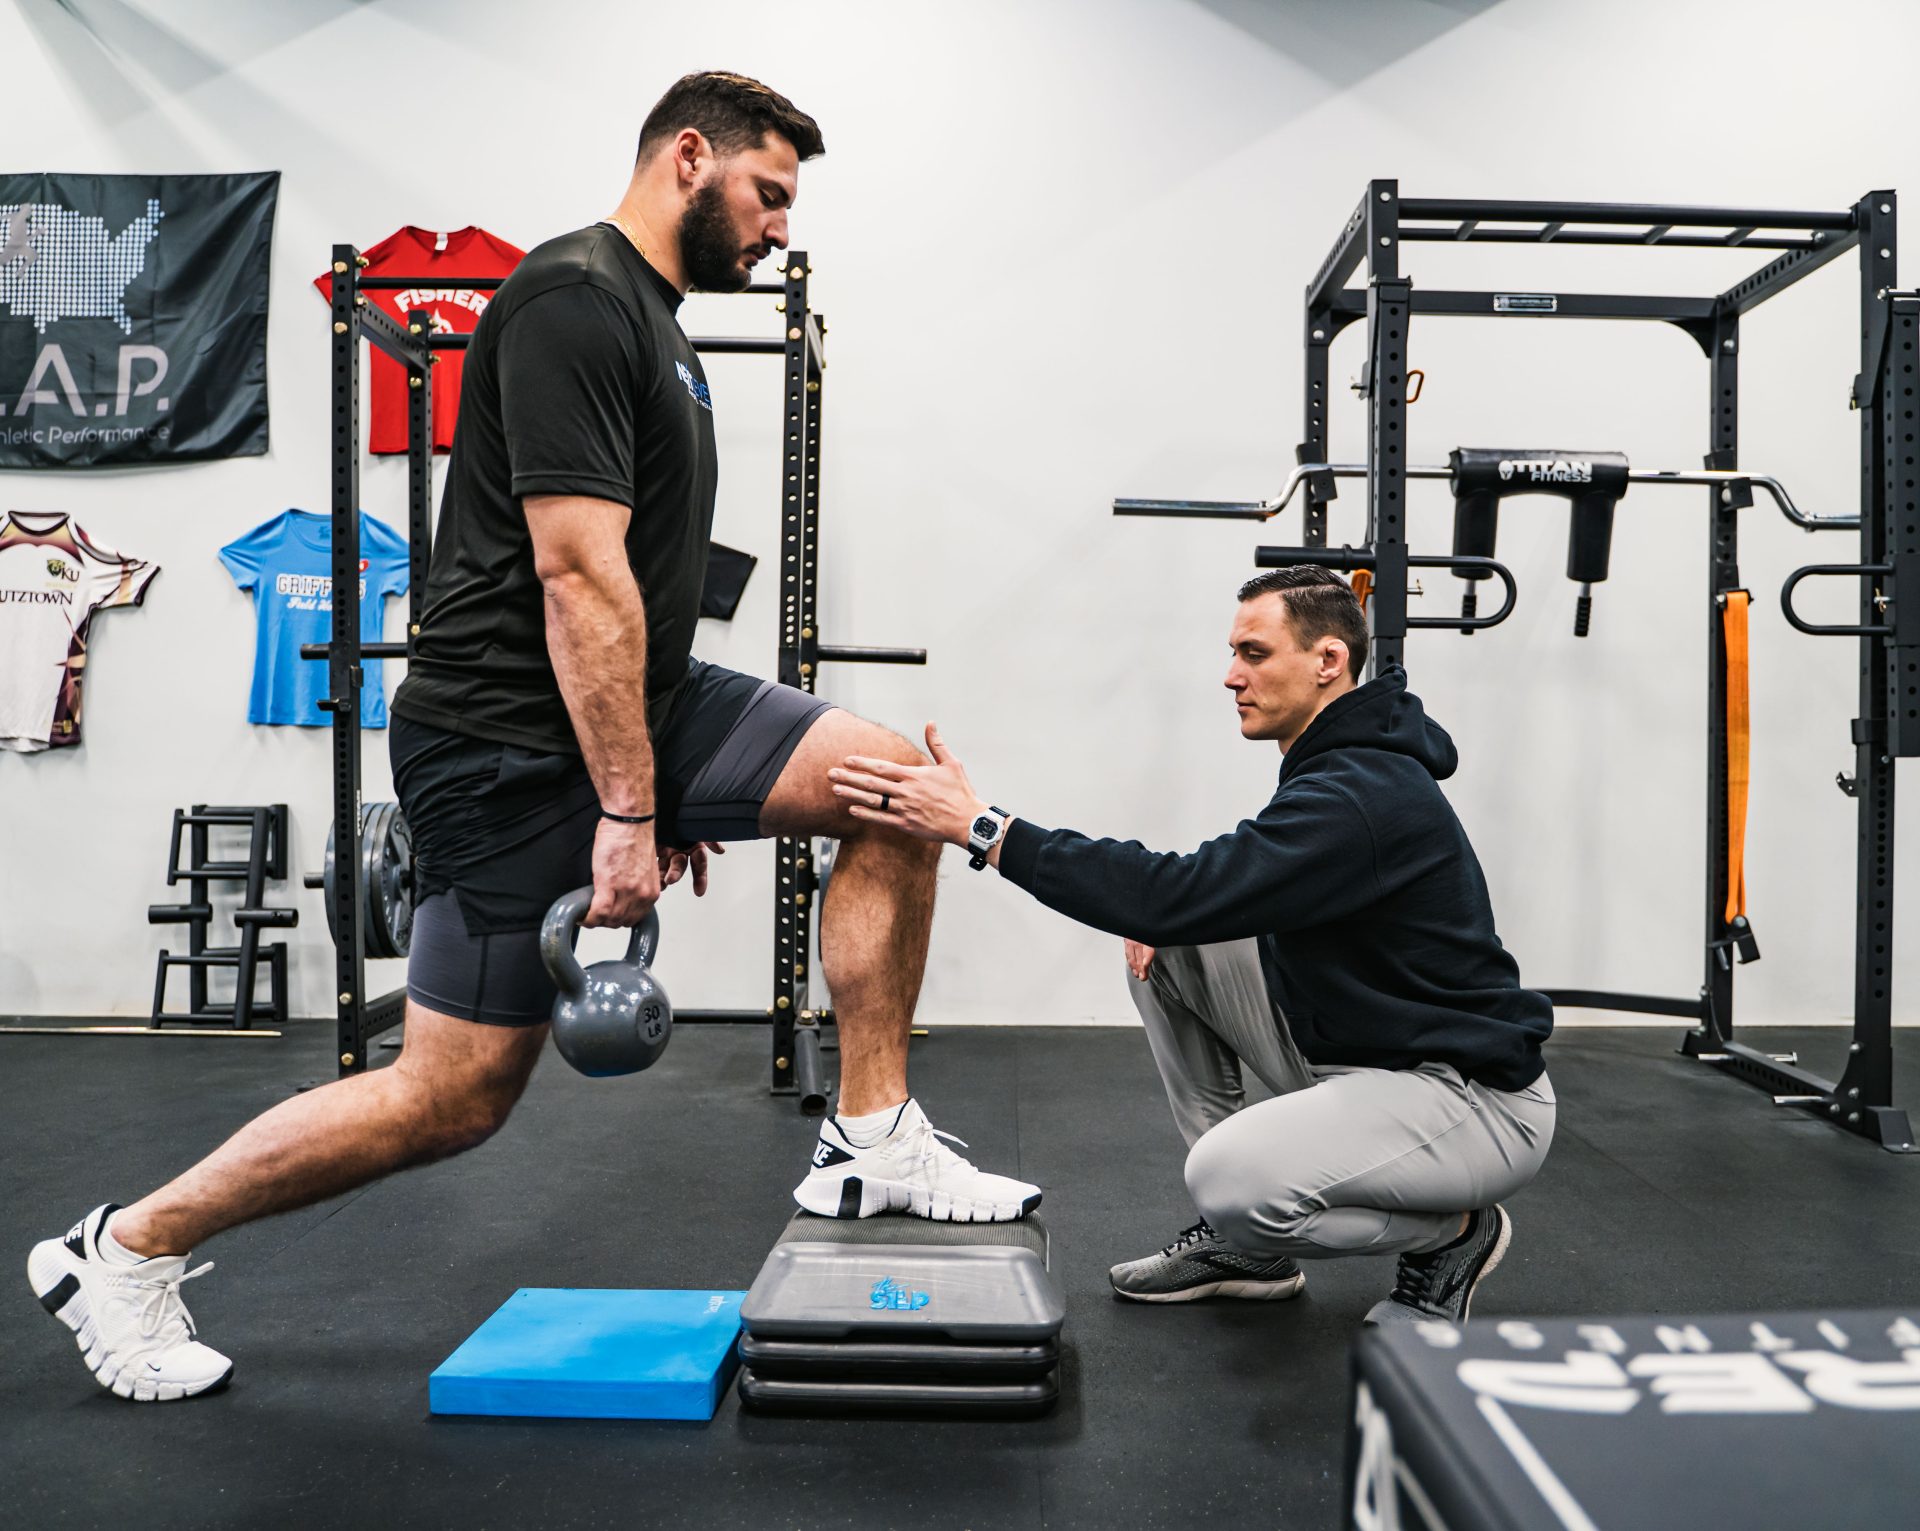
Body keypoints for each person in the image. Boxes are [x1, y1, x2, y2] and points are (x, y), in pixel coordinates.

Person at [27, 71, 1037, 1406]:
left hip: (648, 699)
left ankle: (871, 1130)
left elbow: (640, 598)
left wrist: (675, 780)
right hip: (502, 739)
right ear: (691, 157)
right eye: (770, 194)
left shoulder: (658, 325)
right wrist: (634, 804)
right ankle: (126, 1245)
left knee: (896, 786)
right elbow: (576, 574)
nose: (783, 229)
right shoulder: (575, 299)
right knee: (447, 1096)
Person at [826, 565, 1555, 1327]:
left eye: (1254, 652)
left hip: (1473, 1100)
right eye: (1233, 652)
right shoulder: (1335, 766)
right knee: (1168, 945)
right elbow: (1190, 902)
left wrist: (984, 826)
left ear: (1328, 662)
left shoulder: (1362, 794)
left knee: (1227, 1175)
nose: (1231, 675)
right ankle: (1253, 1247)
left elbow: (1178, 888)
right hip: (1371, 1054)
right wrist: (1162, 913)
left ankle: (1455, 1233)